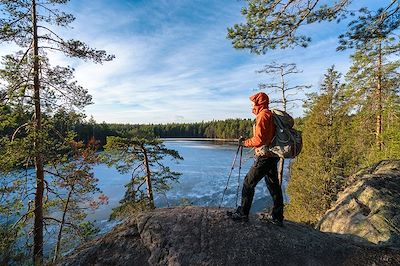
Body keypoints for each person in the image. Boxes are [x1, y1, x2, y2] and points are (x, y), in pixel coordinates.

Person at [229, 92, 283, 226]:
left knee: (248, 183)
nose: (252, 104)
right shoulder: (269, 114)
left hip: (265, 156)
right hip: (272, 155)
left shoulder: (263, 115)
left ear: (259, 102)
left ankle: (243, 214)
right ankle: (277, 217)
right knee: (274, 186)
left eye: (253, 102)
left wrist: (244, 143)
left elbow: (259, 139)